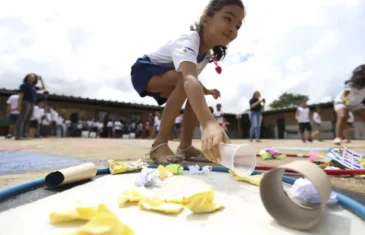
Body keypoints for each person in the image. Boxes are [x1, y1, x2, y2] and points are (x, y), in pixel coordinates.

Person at [130, 0, 245, 164]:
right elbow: (188, 78)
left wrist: (205, 90)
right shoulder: (189, 40)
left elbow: (192, 80)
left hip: (172, 76)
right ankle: (159, 144)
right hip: (144, 71)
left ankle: (185, 146)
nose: (233, 28)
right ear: (206, 19)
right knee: (186, 83)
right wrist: (209, 122)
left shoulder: (206, 56)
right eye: (228, 19)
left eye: (238, 26)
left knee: (193, 93)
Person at [333, 64, 365, 145]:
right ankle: (338, 137)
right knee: (343, 116)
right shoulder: (351, 84)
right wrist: (346, 103)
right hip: (342, 101)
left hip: (356, 104)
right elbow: (344, 95)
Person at [14, 74, 46, 140]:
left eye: (33, 77)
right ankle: (18, 135)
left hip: (32, 104)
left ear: (35, 79)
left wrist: (41, 80)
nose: (32, 77)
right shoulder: (24, 85)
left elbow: (43, 88)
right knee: (22, 118)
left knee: (28, 119)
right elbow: (21, 94)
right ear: (27, 78)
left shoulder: (33, 87)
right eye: (30, 76)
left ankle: (24, 134)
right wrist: (19, 104)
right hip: (26, 102)